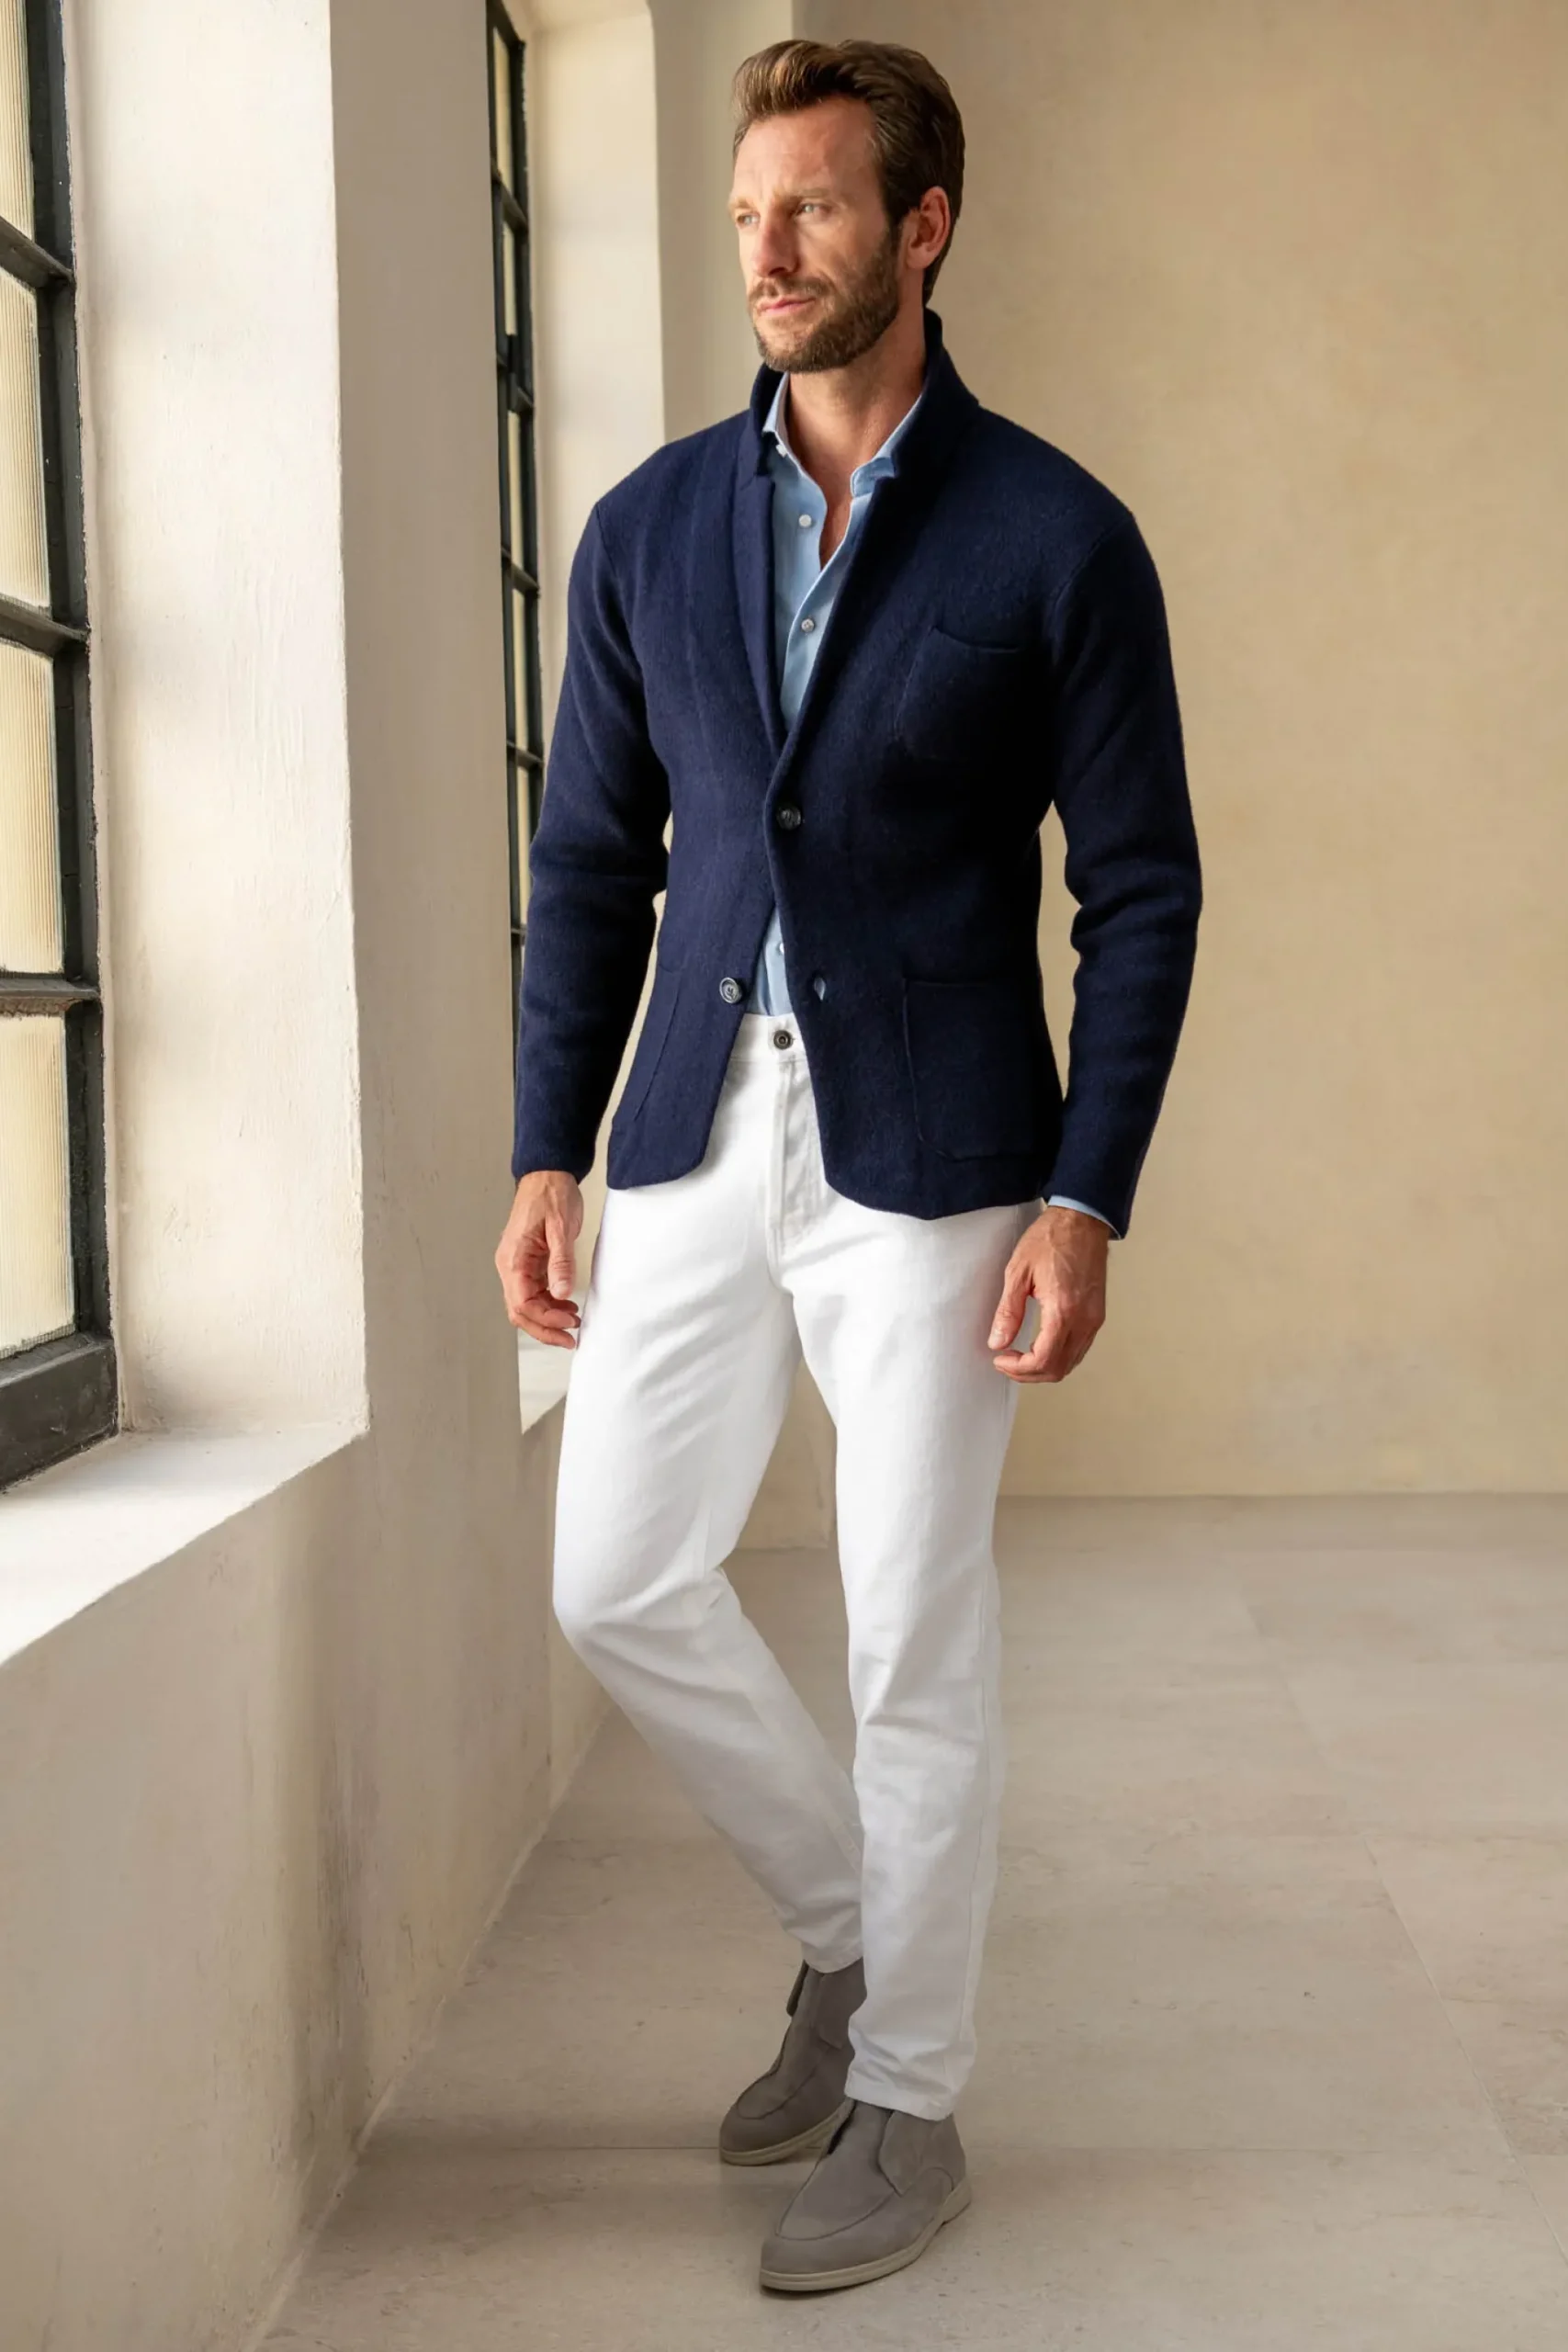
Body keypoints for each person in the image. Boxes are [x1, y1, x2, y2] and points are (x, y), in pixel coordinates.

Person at [495, 36, 1201, 2296]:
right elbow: (591, 862)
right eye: (746, 212)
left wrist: (1085, 1191)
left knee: (912, 1626)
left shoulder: (1054, 534)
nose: (768, 249)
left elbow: (1143, 889)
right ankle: (849, 1930)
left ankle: (910, 2093)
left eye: (810, 205)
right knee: (617, 1574)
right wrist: (545, 1144)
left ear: (923, 224)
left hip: (943, 1154)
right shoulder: (645, 531)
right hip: (692, 1126)